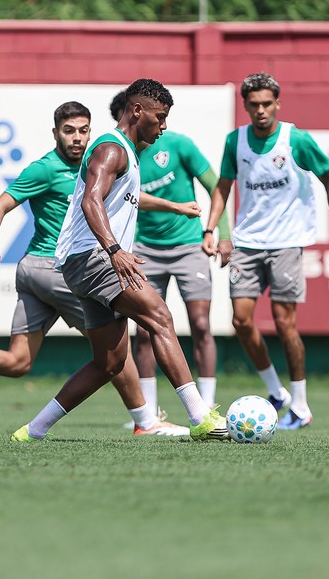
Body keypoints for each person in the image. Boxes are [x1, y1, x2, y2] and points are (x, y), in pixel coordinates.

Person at [0, 101, 197, 436]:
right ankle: (145, 422)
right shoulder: (46, 169)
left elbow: (127, 195)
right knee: (115, 350)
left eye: (83, 131)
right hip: (58, 269)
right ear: (55, 133)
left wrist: (173, 206)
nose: (77, 138)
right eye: (69, 131)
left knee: (19, 361)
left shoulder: (97, 163)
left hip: (34, 272)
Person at [11, 78, 227, 443]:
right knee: (160, 316)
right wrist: (114, 250)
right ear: (137, 111)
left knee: (108, 363)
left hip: (82, 263)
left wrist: (173, 207)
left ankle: (32, 431)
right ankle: (200, 417)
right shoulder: (112, 149)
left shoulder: (127, 151)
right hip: (95, 258)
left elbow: (120, 198)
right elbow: (90, 200)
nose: (164, 125)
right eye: (160, 117)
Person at [202, 72, 329, 430]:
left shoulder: (296, 139)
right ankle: (276, 391)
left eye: (267, 104)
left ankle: (301, 406)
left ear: (278, 103)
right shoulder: (235, 140)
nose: (261, 110)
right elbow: (223, 187)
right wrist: (213, 230)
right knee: (241, 321)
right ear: (245, 105)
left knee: (284, 323)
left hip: (287, 242)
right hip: (247, 243)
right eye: (254, 105)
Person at [109, 90, 233, 420]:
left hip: (189, 246)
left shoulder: (179, 145)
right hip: (144, 250)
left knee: (201, 325)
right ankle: (150, 414)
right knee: (144, 331)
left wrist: (219, 233)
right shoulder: (121, 155)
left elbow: (216, 186)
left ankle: (208, 407)